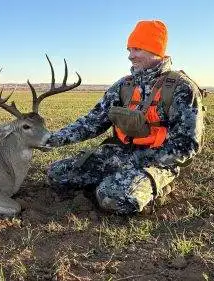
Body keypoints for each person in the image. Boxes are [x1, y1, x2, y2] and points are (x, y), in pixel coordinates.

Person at [45, 20, 205, 214]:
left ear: (155, 49)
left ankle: (155, 186)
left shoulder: (182, 88)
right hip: (119, 154)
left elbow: (187, 145)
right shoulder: (124, 85)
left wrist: (139, 159)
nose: (130, 56)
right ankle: (117, 180)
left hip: (156, 162)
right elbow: (92, 121)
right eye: (129, 50)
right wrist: (52, 139)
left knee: (112, 198)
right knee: (57, 175)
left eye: (136, 49)